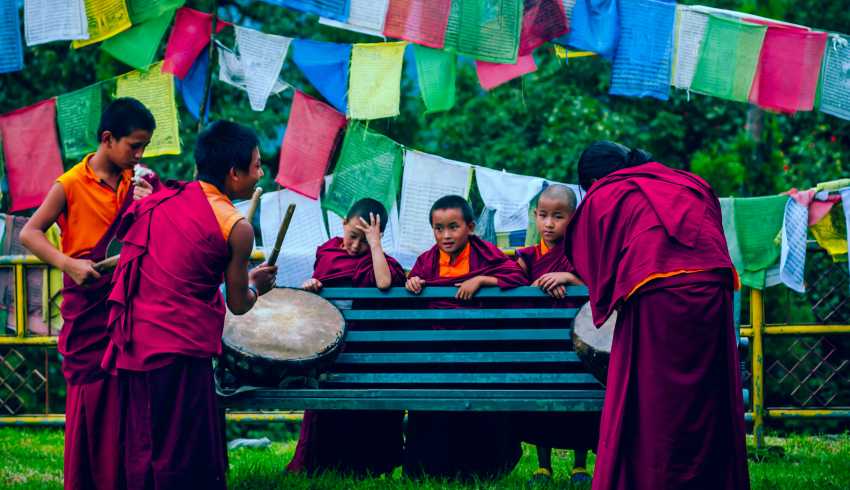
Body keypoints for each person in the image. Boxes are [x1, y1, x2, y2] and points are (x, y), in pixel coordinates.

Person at [102, 120, 277, 490]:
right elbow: (239, 303)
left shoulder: (160, 201)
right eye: (257, 165)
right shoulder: (236, 226)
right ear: (234, 173)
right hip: (180, 347)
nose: (261, 172)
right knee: (183, 446)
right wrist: (256, 286)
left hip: (135, 340)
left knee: (144, 441)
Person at [564, 141, 749, 490]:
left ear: (592, 181)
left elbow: (587, 253)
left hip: (655, 293)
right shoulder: (689, 182)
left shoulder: (607, 191)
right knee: (708, 392)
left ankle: (651, 478)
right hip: (714, 290)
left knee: (652, 397)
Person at [20, 97, 158, 490]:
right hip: (89, 298)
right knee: (93, 396)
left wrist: (148, 206)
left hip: (130, 301)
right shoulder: (69, 184)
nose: (139, 154)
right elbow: (30, 233)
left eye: (144, 146)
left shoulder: (140, 181)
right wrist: (68, 264)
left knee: (131, 394)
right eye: (134, 145)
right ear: (107, 139)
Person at [403, 195, 527, 481]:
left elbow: (516, 278)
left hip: (479, 353)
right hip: (436, 355)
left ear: (470, 227)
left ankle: (483, 469)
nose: (445, 235)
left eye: (453, 227)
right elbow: (414, 295)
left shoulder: (486, 254)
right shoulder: (427, 260)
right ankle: (431, 469)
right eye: (439, 228)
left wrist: (482, 280)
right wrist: (412, 282)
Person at [287, 198, 407, 476]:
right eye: (352, 236)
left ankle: (368, 465)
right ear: (342, 223)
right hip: (332, 354)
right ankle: (323, 463)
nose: (355, 247)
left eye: (364, 241)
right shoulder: (327, 253)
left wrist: (375, 245)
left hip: (371, 356)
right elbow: (319, 298)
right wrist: (312, 286)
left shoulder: (383, 264)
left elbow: (384, 283)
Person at [515, 184, 598, 486]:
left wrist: (569, 278)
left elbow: (597, 285)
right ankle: (543, 466)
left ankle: (579, 465)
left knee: (579, 401)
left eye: (558, 217)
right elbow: (513, 287)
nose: (548, 224)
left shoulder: (582, 254)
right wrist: (537, 284)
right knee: (542, 402)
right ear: (535, 216)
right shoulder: (527, 256)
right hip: (539, 341)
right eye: (543, 216)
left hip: (577, 344)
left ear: (573, 219)